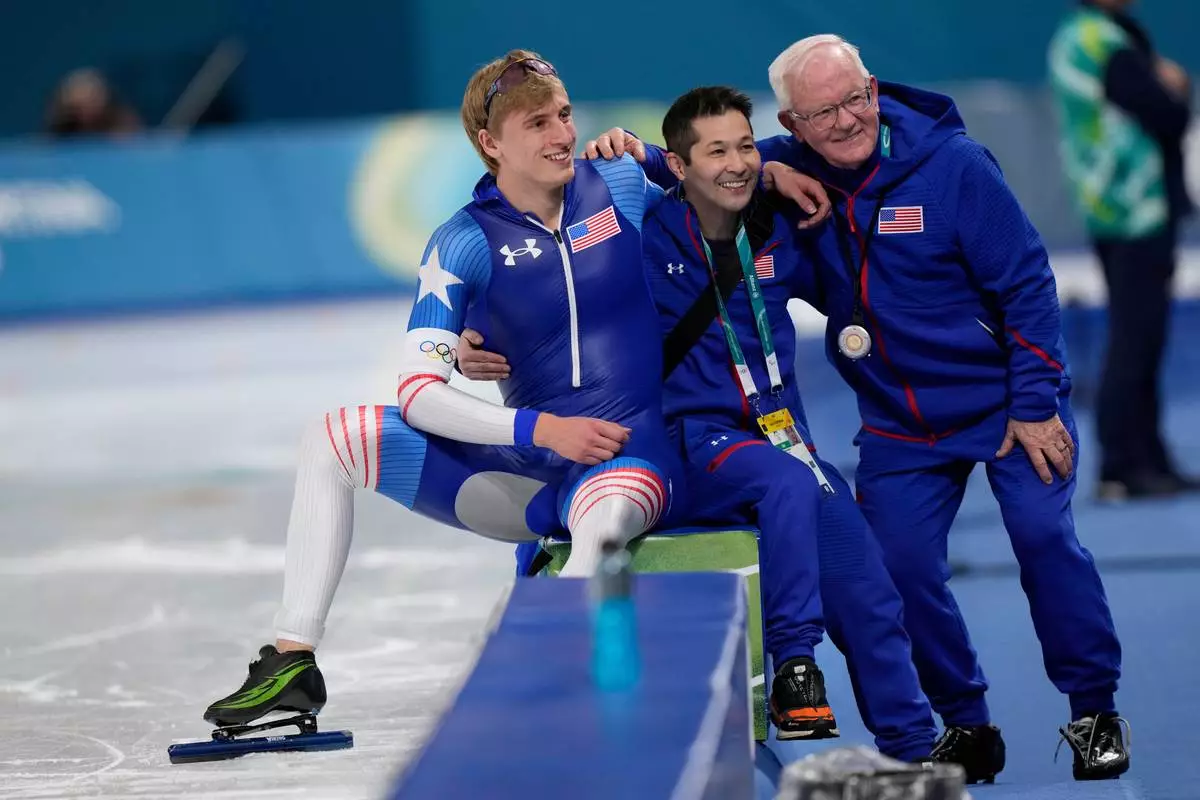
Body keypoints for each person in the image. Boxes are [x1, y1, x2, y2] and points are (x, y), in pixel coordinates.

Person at [201, 50, 837, 736]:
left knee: (600, 527)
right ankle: (293, 661)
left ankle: (556, 701)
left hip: (629, 457)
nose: (562, 134)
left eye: (564, 114)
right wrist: (536, 427)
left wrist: (768, 169)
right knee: (332, 438)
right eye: (537, 123)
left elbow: (709, 171)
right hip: (530, 467)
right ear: (490, 142)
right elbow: (418, 392)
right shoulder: (461, 243)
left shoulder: (618, 182)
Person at [584, 33, 1132, 783]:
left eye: (854, 99)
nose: (845, 120)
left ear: (873, 89)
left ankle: (1095, 711)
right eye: (822, 113)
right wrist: (644, 152)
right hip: (901, 421)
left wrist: (1036, 403)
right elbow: (709, 161)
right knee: (899, 567)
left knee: (1043, 538)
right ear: (793, 123)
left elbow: (1029, 282)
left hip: (1007, 404)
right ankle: (966, 723)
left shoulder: (955, 167)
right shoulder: (784, 167)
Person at [461, 86, 939, 761]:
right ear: (680, 167)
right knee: (767, 488)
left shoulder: (780, 229)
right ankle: (789, 671)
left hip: (782, 439)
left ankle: (911, 752)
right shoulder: (635, 236)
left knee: (866, 589)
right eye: (718, 152)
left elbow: (859, 294)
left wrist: (772, 170)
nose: (737, 163)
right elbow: (535, 279)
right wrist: (471, 337)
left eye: (747, 147)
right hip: (684, 440)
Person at [1049, 0, 1196, 500]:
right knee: (1136, 338)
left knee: (1139, 336)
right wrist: (1173, 86)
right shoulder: (1104, 43)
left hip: (1111, 204)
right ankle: (1124, 463)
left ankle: (1147, 456)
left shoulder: (1081, 37)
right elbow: (1167, 112)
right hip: (1135, 207)